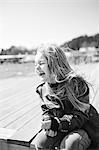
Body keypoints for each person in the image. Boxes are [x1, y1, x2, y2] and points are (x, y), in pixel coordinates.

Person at [32, 44, 92, 150]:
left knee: (70, 144)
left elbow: (81, 115)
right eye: (35, 64)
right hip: (59, 127)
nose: (37, 67)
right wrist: (47, 120)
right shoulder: (42, 89)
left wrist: (57, 124)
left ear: (55, 64)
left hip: (83, 127)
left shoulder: (76, 84)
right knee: (40, 143)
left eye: (41, 63)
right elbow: (46, 110)